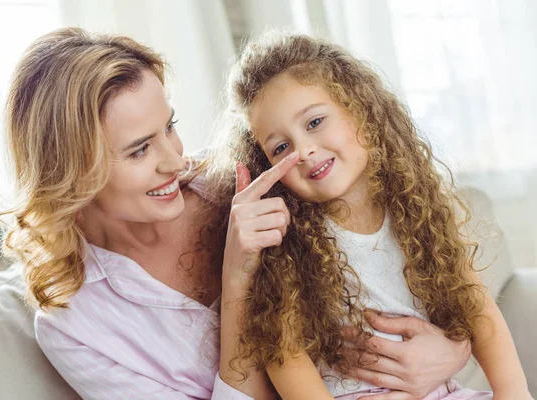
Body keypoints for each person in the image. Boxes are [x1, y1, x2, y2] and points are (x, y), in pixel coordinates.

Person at [0, 27, 474, 400]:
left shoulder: (250, 177)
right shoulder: (76, 326)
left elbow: (412, 249)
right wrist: (236, 282)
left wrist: (452, 350)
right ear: (69, 171)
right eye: (140, 150)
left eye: (170, 127)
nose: (175, 160)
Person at [211, 30, 532, 400]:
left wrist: (513, 394)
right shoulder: (285, 243)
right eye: (281, 147)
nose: (304, 151)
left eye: (314, 122)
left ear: (360, 109)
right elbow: (286, 356)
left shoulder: (416, 209)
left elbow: (479, 311)